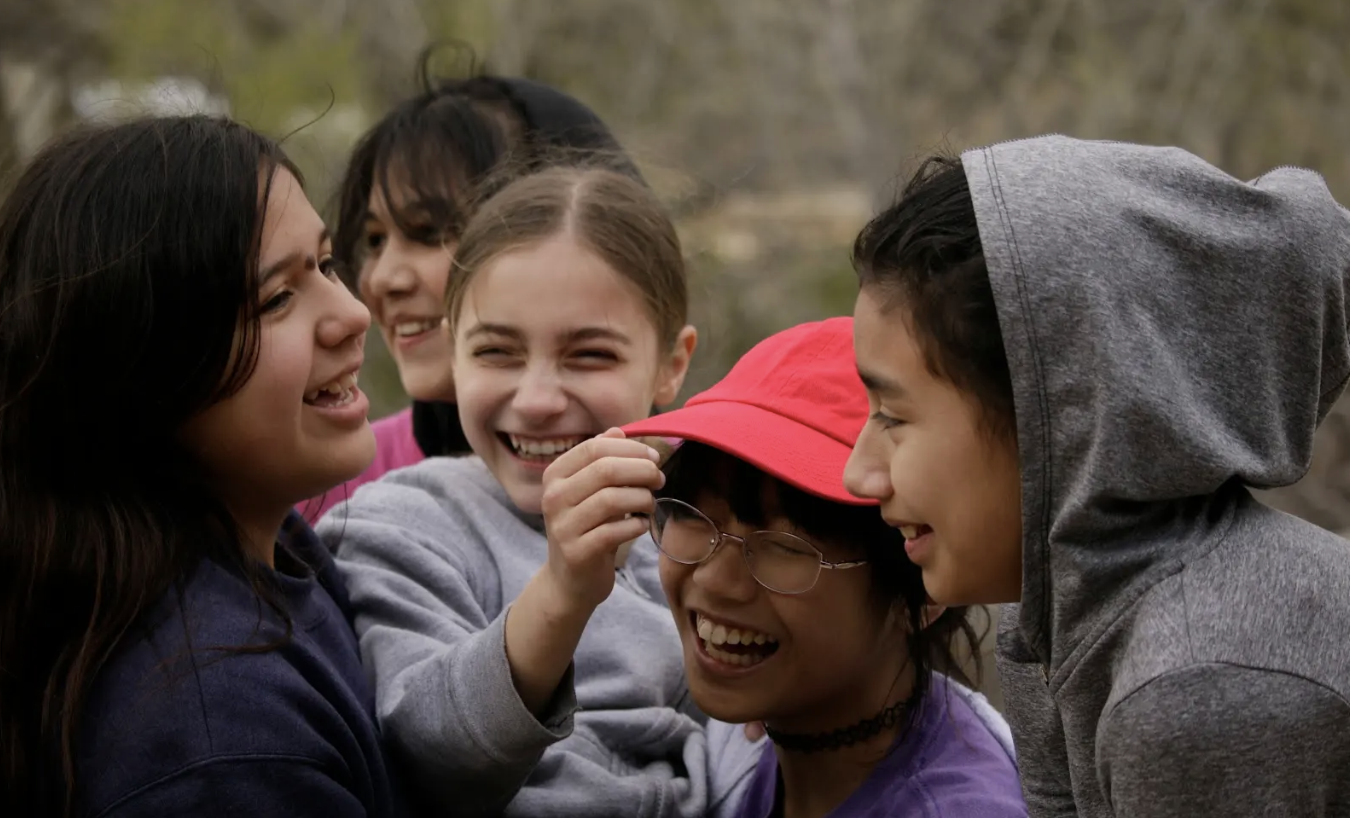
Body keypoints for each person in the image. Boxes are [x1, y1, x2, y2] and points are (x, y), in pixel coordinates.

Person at [843, 138, 1350, 816]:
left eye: (894, 415)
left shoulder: (1199, 687)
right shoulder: (1055, 615)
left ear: (1065, 412)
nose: (858, 473)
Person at [0, 117, 408, 817]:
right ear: (145, 378)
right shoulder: (222, 746)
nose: (352, 313)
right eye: (277, 298)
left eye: (328, 263)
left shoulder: (274, 553)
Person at [319, 165, 715, 818]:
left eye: (589, 355)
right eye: (497, 352)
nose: (535, 401)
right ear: (453, 353)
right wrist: (563, 592)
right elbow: (427, 760)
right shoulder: (396, 526)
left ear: (672, 364)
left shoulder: (700, 542)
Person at [618, 317, 1025, 818]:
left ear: (922, 595)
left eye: (785, 546)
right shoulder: (768, 725)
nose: (713, 579)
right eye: (691, 514)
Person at [300, 54, 642, 521]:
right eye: (374, 239)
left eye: (430, 231)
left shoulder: (703, 496)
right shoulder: (330, 492)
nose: (383, 279)